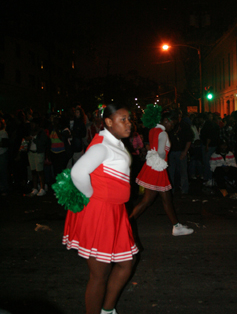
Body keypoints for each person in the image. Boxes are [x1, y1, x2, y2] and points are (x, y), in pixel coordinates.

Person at [62, 103, 139, 314]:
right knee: (100, 274)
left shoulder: (114, 142)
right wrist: (90, 196)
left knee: (126, 263)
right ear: (108, 122)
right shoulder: (102, 146)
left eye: (129, 119)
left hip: (114, 211)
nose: (128, 123)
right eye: (122, 119)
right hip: (100, 214)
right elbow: (78, 173)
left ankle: (107, 309)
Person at [129, 105, 194, 236]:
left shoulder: (153, 130)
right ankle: (127, 223)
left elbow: (150, 147)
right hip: (158, 169)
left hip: (154, 167)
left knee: (164, 199)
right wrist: (164, 156)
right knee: (148, 201)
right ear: (166, 121)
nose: (173, 126)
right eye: (173, 123)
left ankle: (176, 226)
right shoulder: (163, 133)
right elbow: (160, 153)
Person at [168, 110, 194, 194]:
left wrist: (185, 151)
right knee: (171, 172)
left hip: (180, 151)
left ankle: (184, 190)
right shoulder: (170, 126)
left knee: (183, 171)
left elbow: (189, 139)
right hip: (171, 151)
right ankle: (171, 190)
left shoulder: (184, 126)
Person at [27, 118, 49, 197]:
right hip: (31, 153)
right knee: (33, 171)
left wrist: (33, 139)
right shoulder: (31, 132)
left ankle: (42, 188)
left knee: (40, 171)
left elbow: (43, 143)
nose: (32, 126)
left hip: (38, 153)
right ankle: (35, 187)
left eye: (33, 124)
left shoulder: (41, 132)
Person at [0, 117, 9, 196]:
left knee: (3, 172)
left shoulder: (3, 132)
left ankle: (5, 188)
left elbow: (4, 144)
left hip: (2, 153)